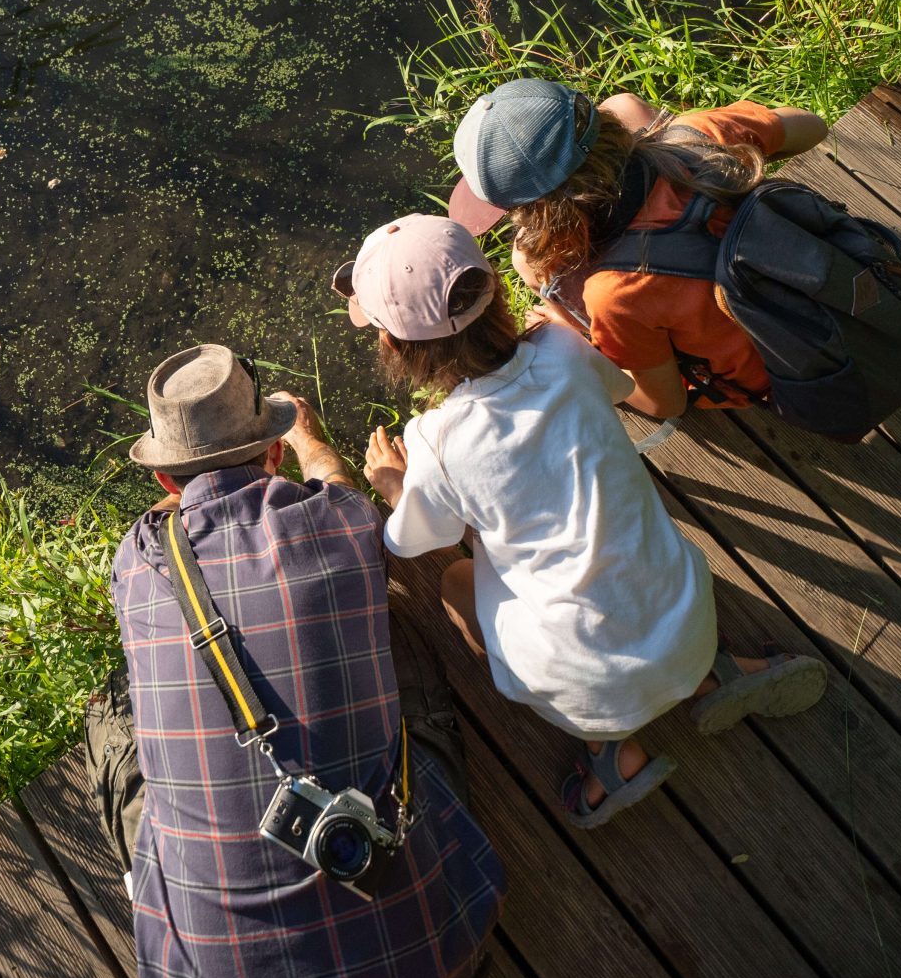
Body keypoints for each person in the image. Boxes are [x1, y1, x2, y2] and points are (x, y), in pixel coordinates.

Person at [335, 215, 828, 827]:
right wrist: (558, 333)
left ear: (393, 347)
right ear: (492, 293)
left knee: (456, 583)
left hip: (583, 688)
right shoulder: (566, 351)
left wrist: (393, 485)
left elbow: (411, 540)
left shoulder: (436, 442)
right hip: (688, 619)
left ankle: (611, 753)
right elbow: (618, 388)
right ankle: (716, 671)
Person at [89, 343, 505, 978]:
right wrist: (310, 441)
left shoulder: (140, 556)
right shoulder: (342, 521)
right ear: (274, 452)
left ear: (164, 481)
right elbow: (338, 487)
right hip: (433, 944)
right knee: (393, 630)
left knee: (111, 711)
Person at [445, 79, 828, 420]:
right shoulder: (699, 136)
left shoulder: (614, 293)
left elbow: (665, 405)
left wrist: (573, 340)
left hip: (778, 373)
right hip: (828, 279)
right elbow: (812, 127)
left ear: (538, 212)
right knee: (632, 104)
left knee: (530, 264)